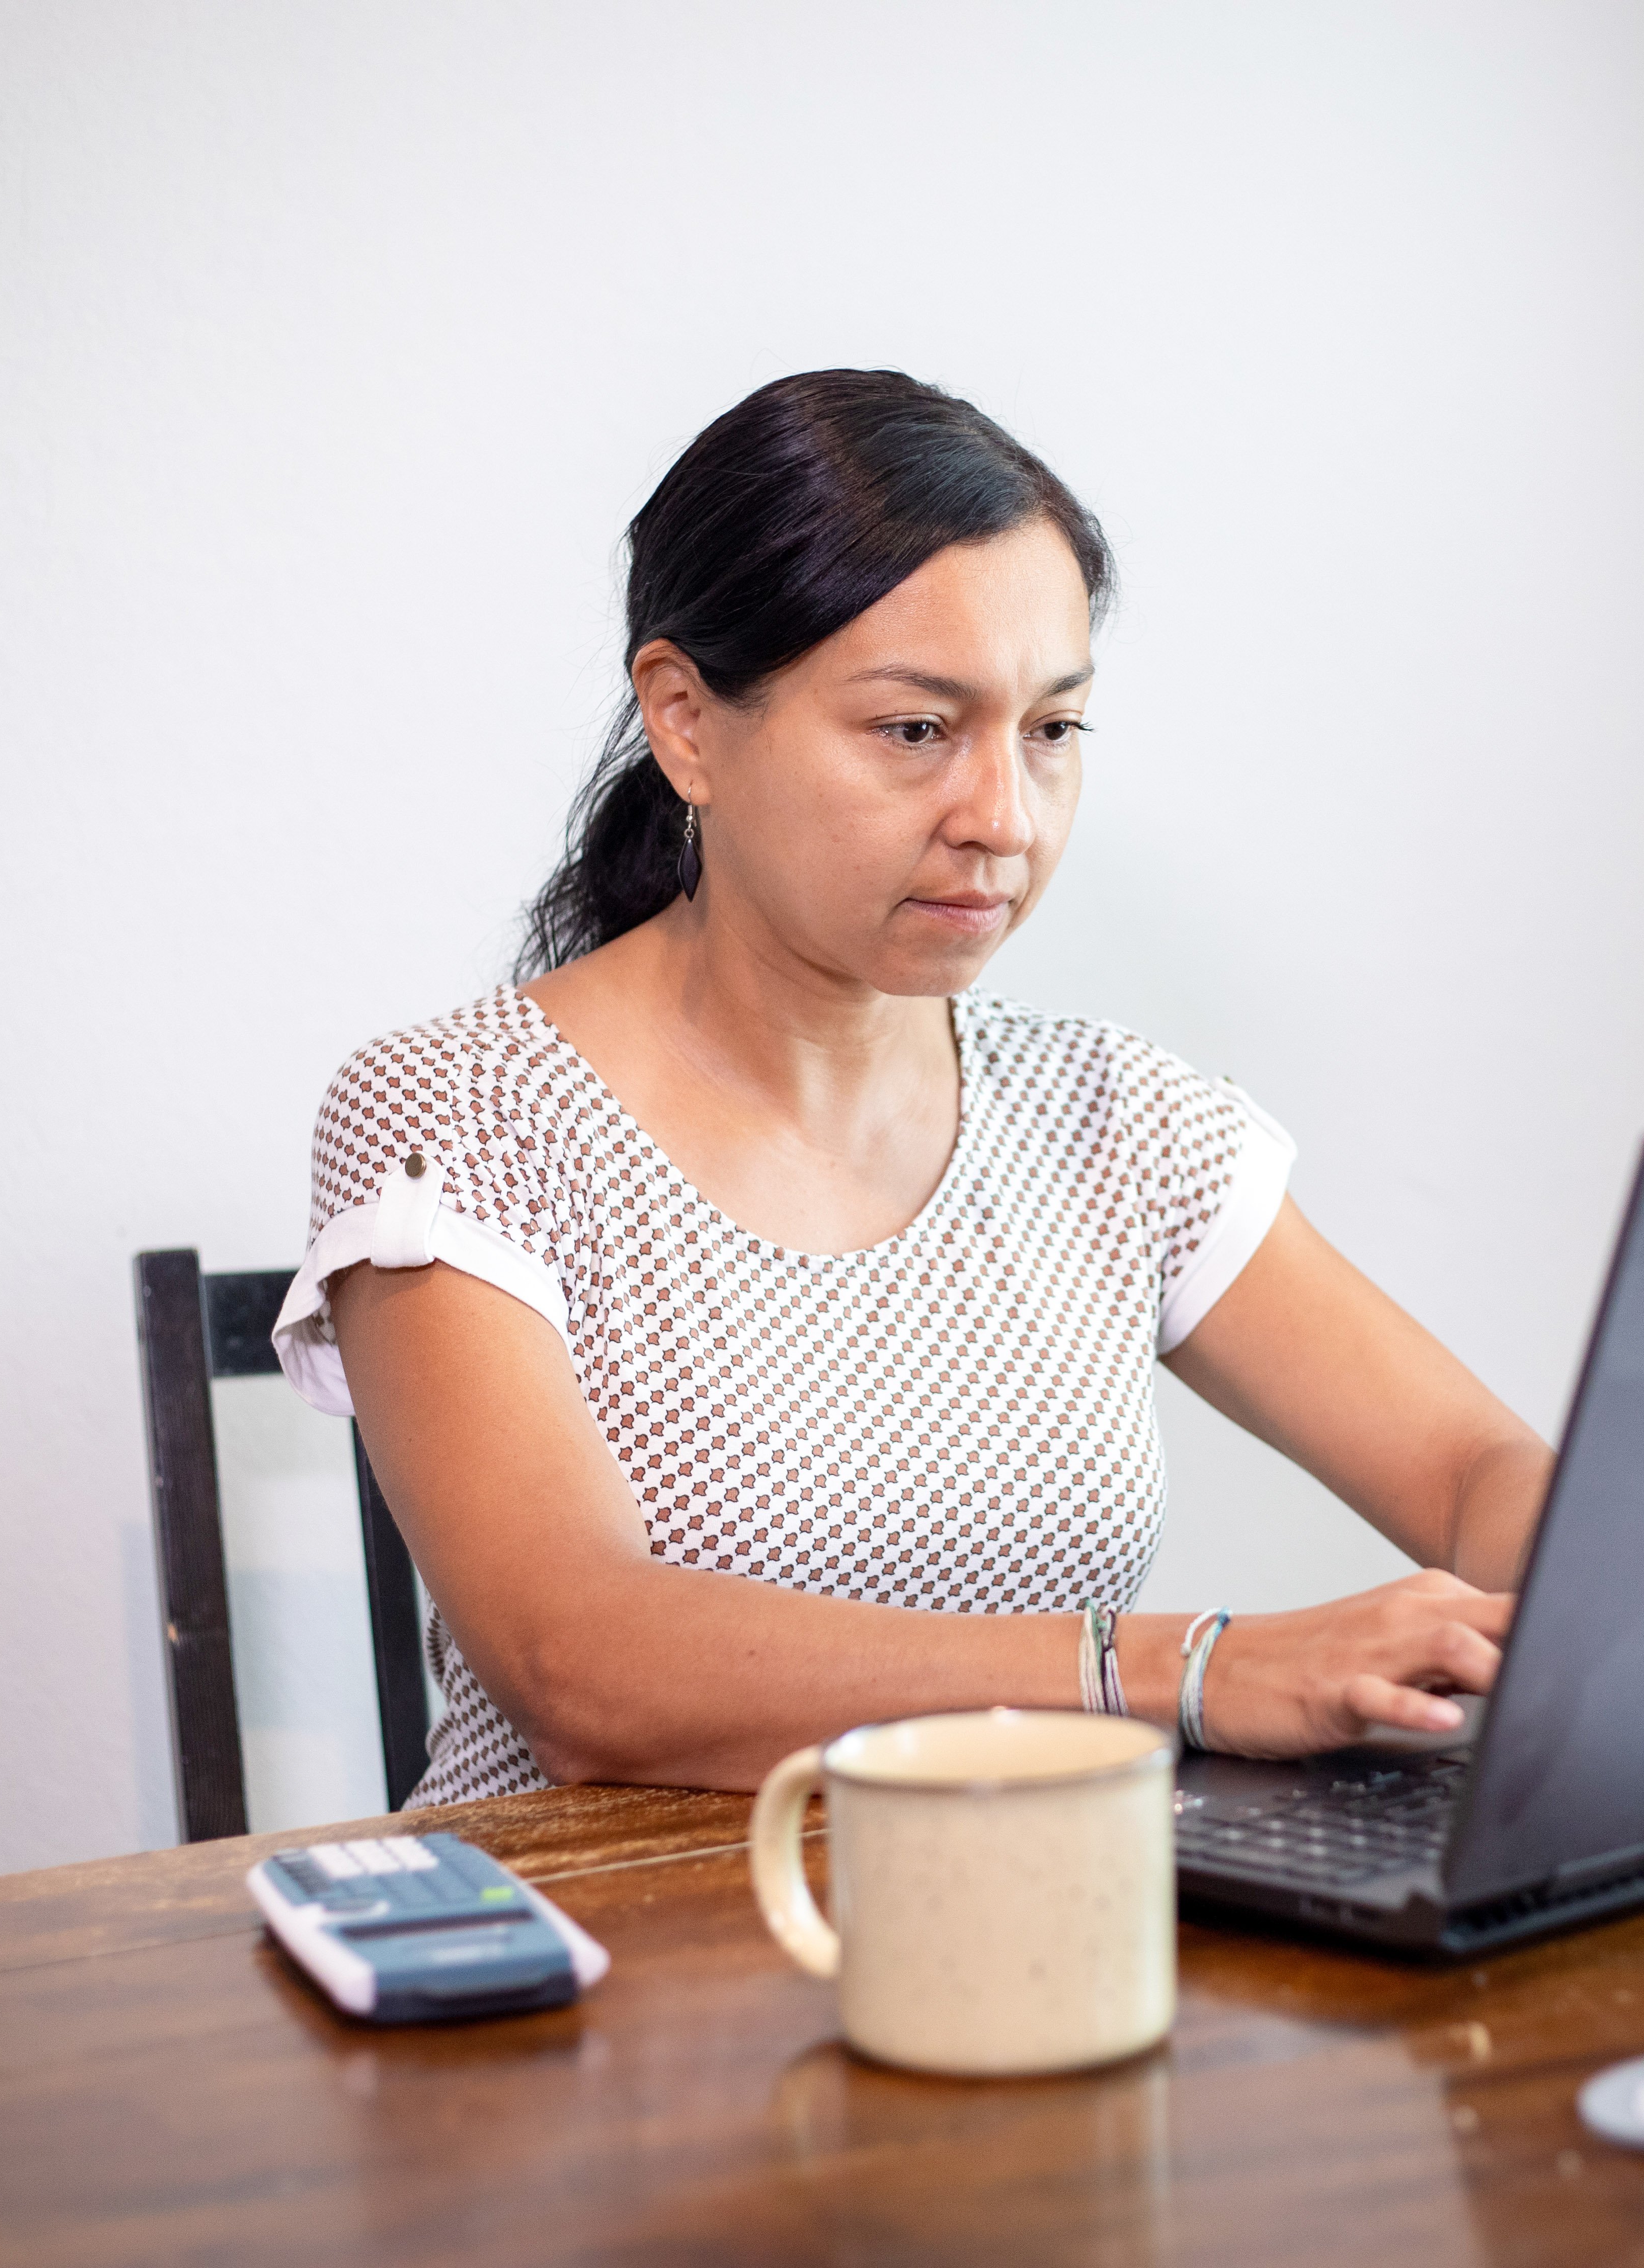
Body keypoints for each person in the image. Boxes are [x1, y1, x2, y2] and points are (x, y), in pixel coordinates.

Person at [274, 370, 1552, 1801]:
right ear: (686, 721)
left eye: (1053, 732)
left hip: (1023, 1945)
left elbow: (1468, 1471)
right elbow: (584, 1668)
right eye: (915, 731)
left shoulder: (1116, 1121)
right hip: (592, 1985)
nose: (1004, 818)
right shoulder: (461, 1118)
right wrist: (1189, 1670)